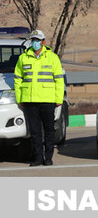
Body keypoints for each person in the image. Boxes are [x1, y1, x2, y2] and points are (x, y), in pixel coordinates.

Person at [14, 30, 65, 166]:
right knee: (35, 132)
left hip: (48, 100)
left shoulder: (52, 58)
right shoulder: (23, 58)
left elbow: (59, 80)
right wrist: (20, 99)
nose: (35, 43)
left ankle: (48, 158)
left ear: (44, 42)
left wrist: (58, 99)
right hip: (30, 101)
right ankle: (37, 158)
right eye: (33, 40)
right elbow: (18, 80)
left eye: (38, 40)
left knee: (49, 130)